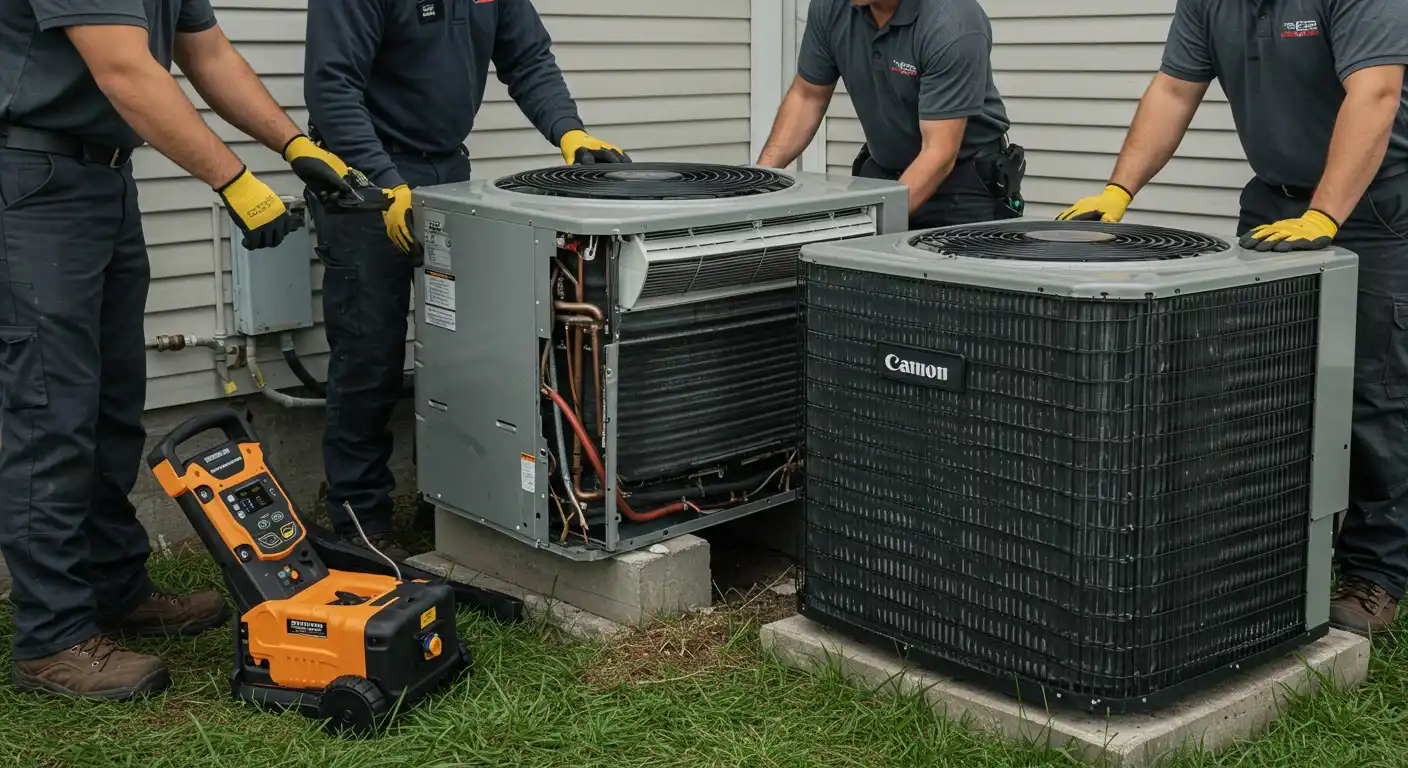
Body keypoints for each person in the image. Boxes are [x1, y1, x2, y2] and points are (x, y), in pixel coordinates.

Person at [0, 0, 359, 699]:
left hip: (101, 179)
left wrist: (294, 145)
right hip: (35, 183)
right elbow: (126, 71)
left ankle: (115, 590)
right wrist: (234, 181)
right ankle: (52, 637)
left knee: (111, 404)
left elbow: (209, 54)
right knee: (51, 411)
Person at [1057, 1, 1408, 635]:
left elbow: (1377, 92)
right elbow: (1172, 90)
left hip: (1376, 206)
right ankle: (1274, 551)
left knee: (1370, 392)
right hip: (1274, 204)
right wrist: (1119, 189)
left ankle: (1377, 574)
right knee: (1257, 386)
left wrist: (1327, 216)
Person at [303, 0, 628, 561]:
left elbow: (527, 59)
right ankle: (358, 518)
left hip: (445, 173)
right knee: (368, 352)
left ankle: (453, 498)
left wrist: (568, 131)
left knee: (461, 350)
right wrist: (383, 181)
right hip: (364, 182)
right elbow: (332, 88)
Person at [756, 0, 1026, 229]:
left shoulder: (951, 24)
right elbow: (808, 96)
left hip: (963, 183)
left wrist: (865, 227)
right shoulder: (832, 7)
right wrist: (758, 185)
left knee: (951, 287)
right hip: (884, 171)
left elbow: (939, 154)